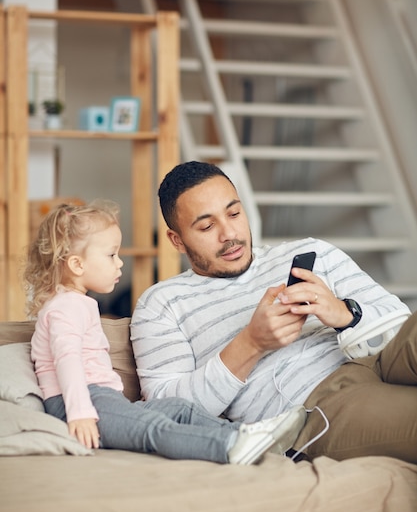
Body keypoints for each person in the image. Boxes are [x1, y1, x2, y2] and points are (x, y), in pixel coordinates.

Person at [131, 161, 417, 464]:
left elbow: (399, 322)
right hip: (320, 402)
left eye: (234, 213)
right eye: (206, 226)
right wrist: (251, 343)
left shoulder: (312, 252)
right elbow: (166, 409)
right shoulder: (161, 304)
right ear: (177, 240)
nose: (229, 233)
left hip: (382, 357)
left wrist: (344, 314)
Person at [25, 199, 306, 465]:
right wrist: (80, 413)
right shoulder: (64, 308)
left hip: (100, 400)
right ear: (77, 265)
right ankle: (230, 445)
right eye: (111, 255)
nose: (120, 262)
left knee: (178, 409)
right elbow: (67, 359)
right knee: (152, 429)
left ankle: (257, 436)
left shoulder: (76, 304)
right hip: (80, 402)